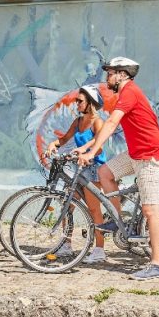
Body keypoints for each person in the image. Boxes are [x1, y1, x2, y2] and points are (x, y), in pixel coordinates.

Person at [77, 57, 159, 281]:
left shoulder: (130, 92)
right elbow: (107, 128)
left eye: (110, 73)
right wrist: (90, 146)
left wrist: (91, 153)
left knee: (150, 211)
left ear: (122, 74)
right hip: (135, 153)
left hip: (149, 155)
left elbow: (110, 124)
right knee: (105, 173)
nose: (107, 77)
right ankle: (119, 221)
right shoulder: (125, 95)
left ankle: (157, 264)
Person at [44, 85, 109, 264]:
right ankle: (66, 244)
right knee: (68, 205)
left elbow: (100, 145)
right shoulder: (78, 121)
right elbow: (64, 139)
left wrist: (84, 149)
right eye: (76, 101)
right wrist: (53, 144)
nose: (76, 104)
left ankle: (99, 249)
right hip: (78, 168)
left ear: (91, 103)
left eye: (80, 101)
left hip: (93, 168)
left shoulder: (98, 121)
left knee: (94, 209)